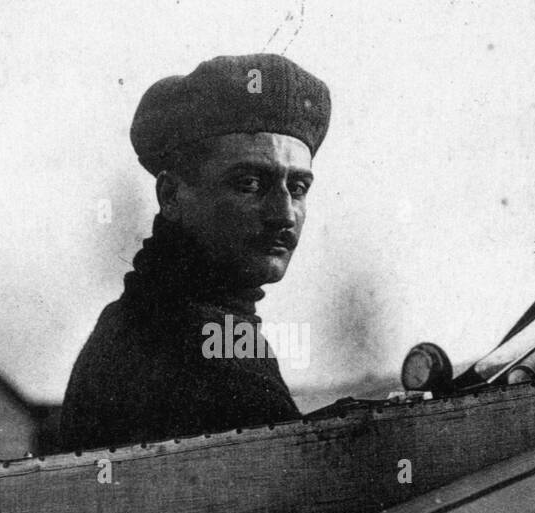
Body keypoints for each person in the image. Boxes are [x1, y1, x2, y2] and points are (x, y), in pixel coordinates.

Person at [58, 54, 331, 451]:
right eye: (250, 183)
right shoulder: (211, 343)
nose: (284, 213)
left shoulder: (130, 316)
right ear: (171, 195)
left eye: (299, 188)